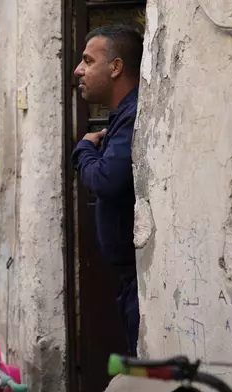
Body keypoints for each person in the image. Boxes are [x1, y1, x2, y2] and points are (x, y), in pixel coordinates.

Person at [71, 25, 143, 356]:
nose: (78, 70)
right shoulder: (122, 116)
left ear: (115, 67)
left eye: (88, 61)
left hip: (139, 283)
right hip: (130, 280)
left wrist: (84, 149)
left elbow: (106, 181)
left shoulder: (132, 117)